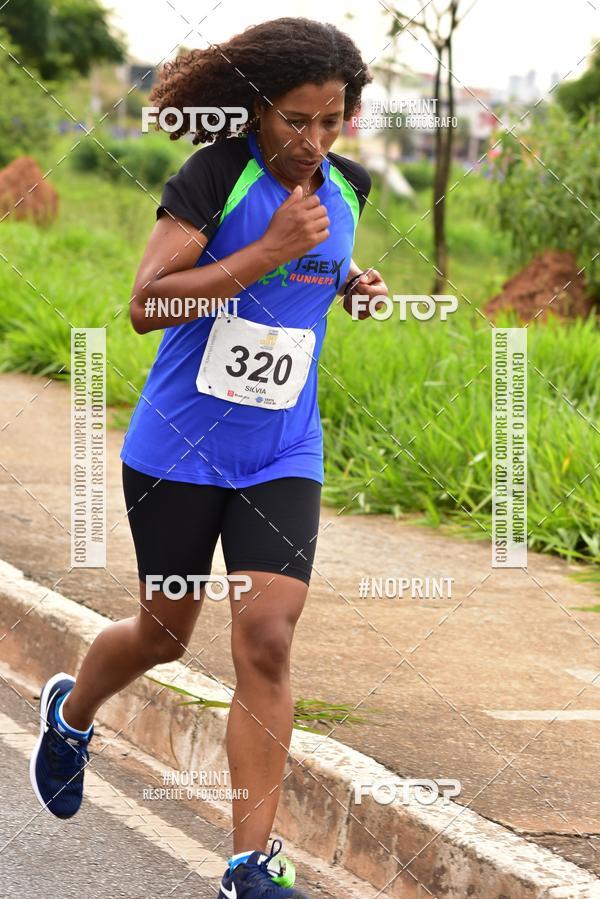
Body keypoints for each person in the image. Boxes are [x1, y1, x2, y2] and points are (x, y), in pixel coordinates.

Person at [30, 16, 388, 898]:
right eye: (295, 121)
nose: (313, 141)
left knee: (266, 638)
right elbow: (147, 303)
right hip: (179, 450)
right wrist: (267, 252)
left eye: (332, 120)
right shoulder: (214, 176)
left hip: (282, 450)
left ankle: (247, 866)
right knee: (164, 632)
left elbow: (320, 258)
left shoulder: (348, 188)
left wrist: (354, 284)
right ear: (259, 110)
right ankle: (73, 711)